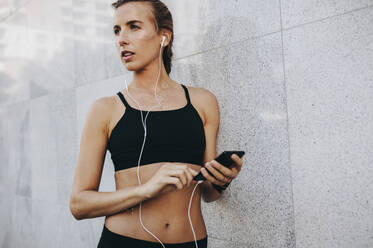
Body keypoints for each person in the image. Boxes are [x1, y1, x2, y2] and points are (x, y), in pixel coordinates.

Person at [69, 0, 244, 247]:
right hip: (124, 242)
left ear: (164, 37)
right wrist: (147, 189)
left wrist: (221, 179)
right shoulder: (105, 109)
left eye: (134, 27)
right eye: (117, 30)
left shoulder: (203, 101)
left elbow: (207, 193)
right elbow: (79, 204)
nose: (122, 39)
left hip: (191, 242)